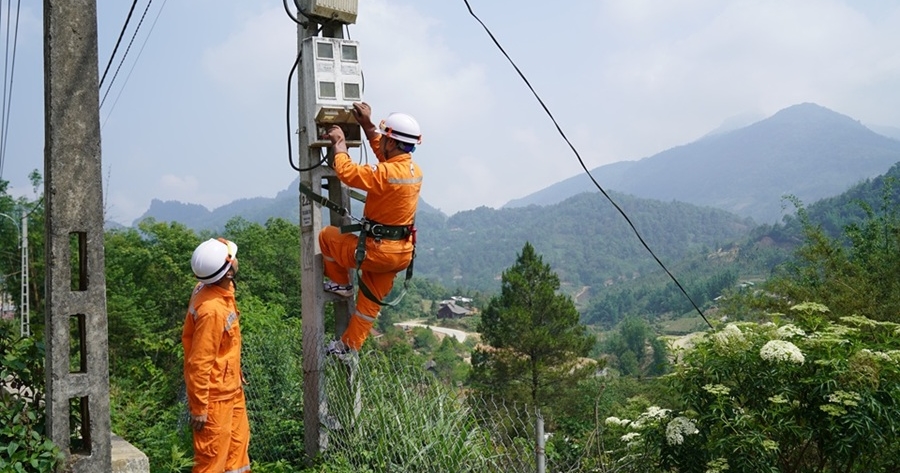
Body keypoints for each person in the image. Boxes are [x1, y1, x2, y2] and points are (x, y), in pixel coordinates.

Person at [320, 102, 423, 355]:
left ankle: (341, 284)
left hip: (377, 252)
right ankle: (348, 347)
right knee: (369, 305)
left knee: (328, 236)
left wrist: (339, 144)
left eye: (385, 137)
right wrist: (367, 125)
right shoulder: (412, 170)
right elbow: (384, 155)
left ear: (392, 141)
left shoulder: (386, 173)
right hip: (400, 254)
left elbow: (346, 172)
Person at [182, 238, 251, 473]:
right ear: (228, 272)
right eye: (233, 256)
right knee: (212, 462)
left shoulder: (217, 290)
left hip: (231, 390)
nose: (237, 258)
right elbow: (199, 362)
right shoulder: (212, 310)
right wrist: (199, 408)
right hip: (214, 400)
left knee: (237, 457)